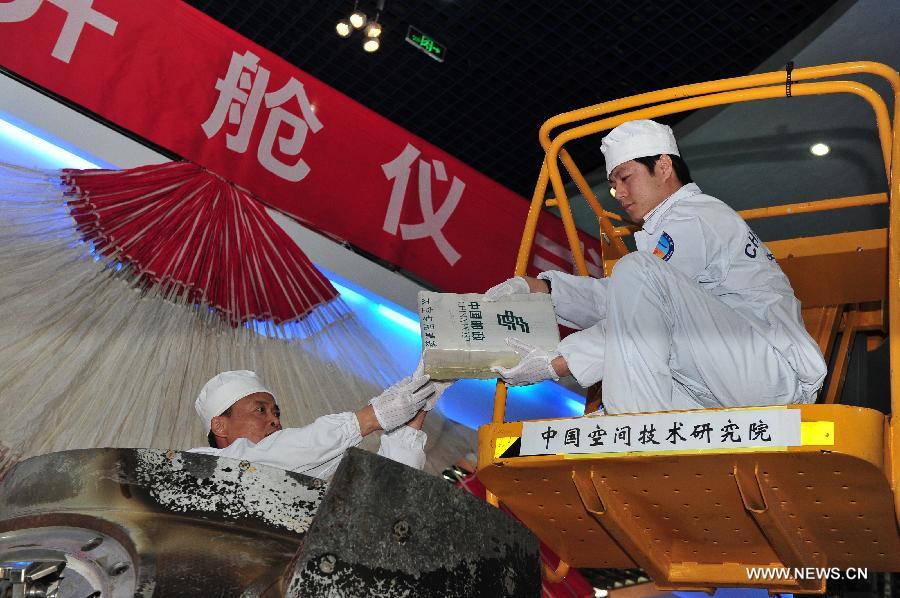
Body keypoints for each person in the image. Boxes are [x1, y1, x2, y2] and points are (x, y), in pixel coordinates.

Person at [486, 119, 826, 414]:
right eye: (613, 184)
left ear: (663, 166)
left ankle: (636, 425)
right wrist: (542, 291)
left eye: (625, 178)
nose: (617, 193)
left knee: (636, 272)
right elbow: (626, 305)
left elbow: (637, 300)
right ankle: (636, 423)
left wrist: (553, 364)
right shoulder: (669, 229)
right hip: (725, 382)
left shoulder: (696, 217)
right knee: (634, 284)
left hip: (769, 375)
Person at [189, 365, 448, 479]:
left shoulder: (300, 479)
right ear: (220, 426)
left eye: (276, 413)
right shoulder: (197, 466)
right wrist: (370, 418)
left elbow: (385, 493)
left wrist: (419, 407)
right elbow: (278, 453)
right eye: (260, 411)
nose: (274, 421)